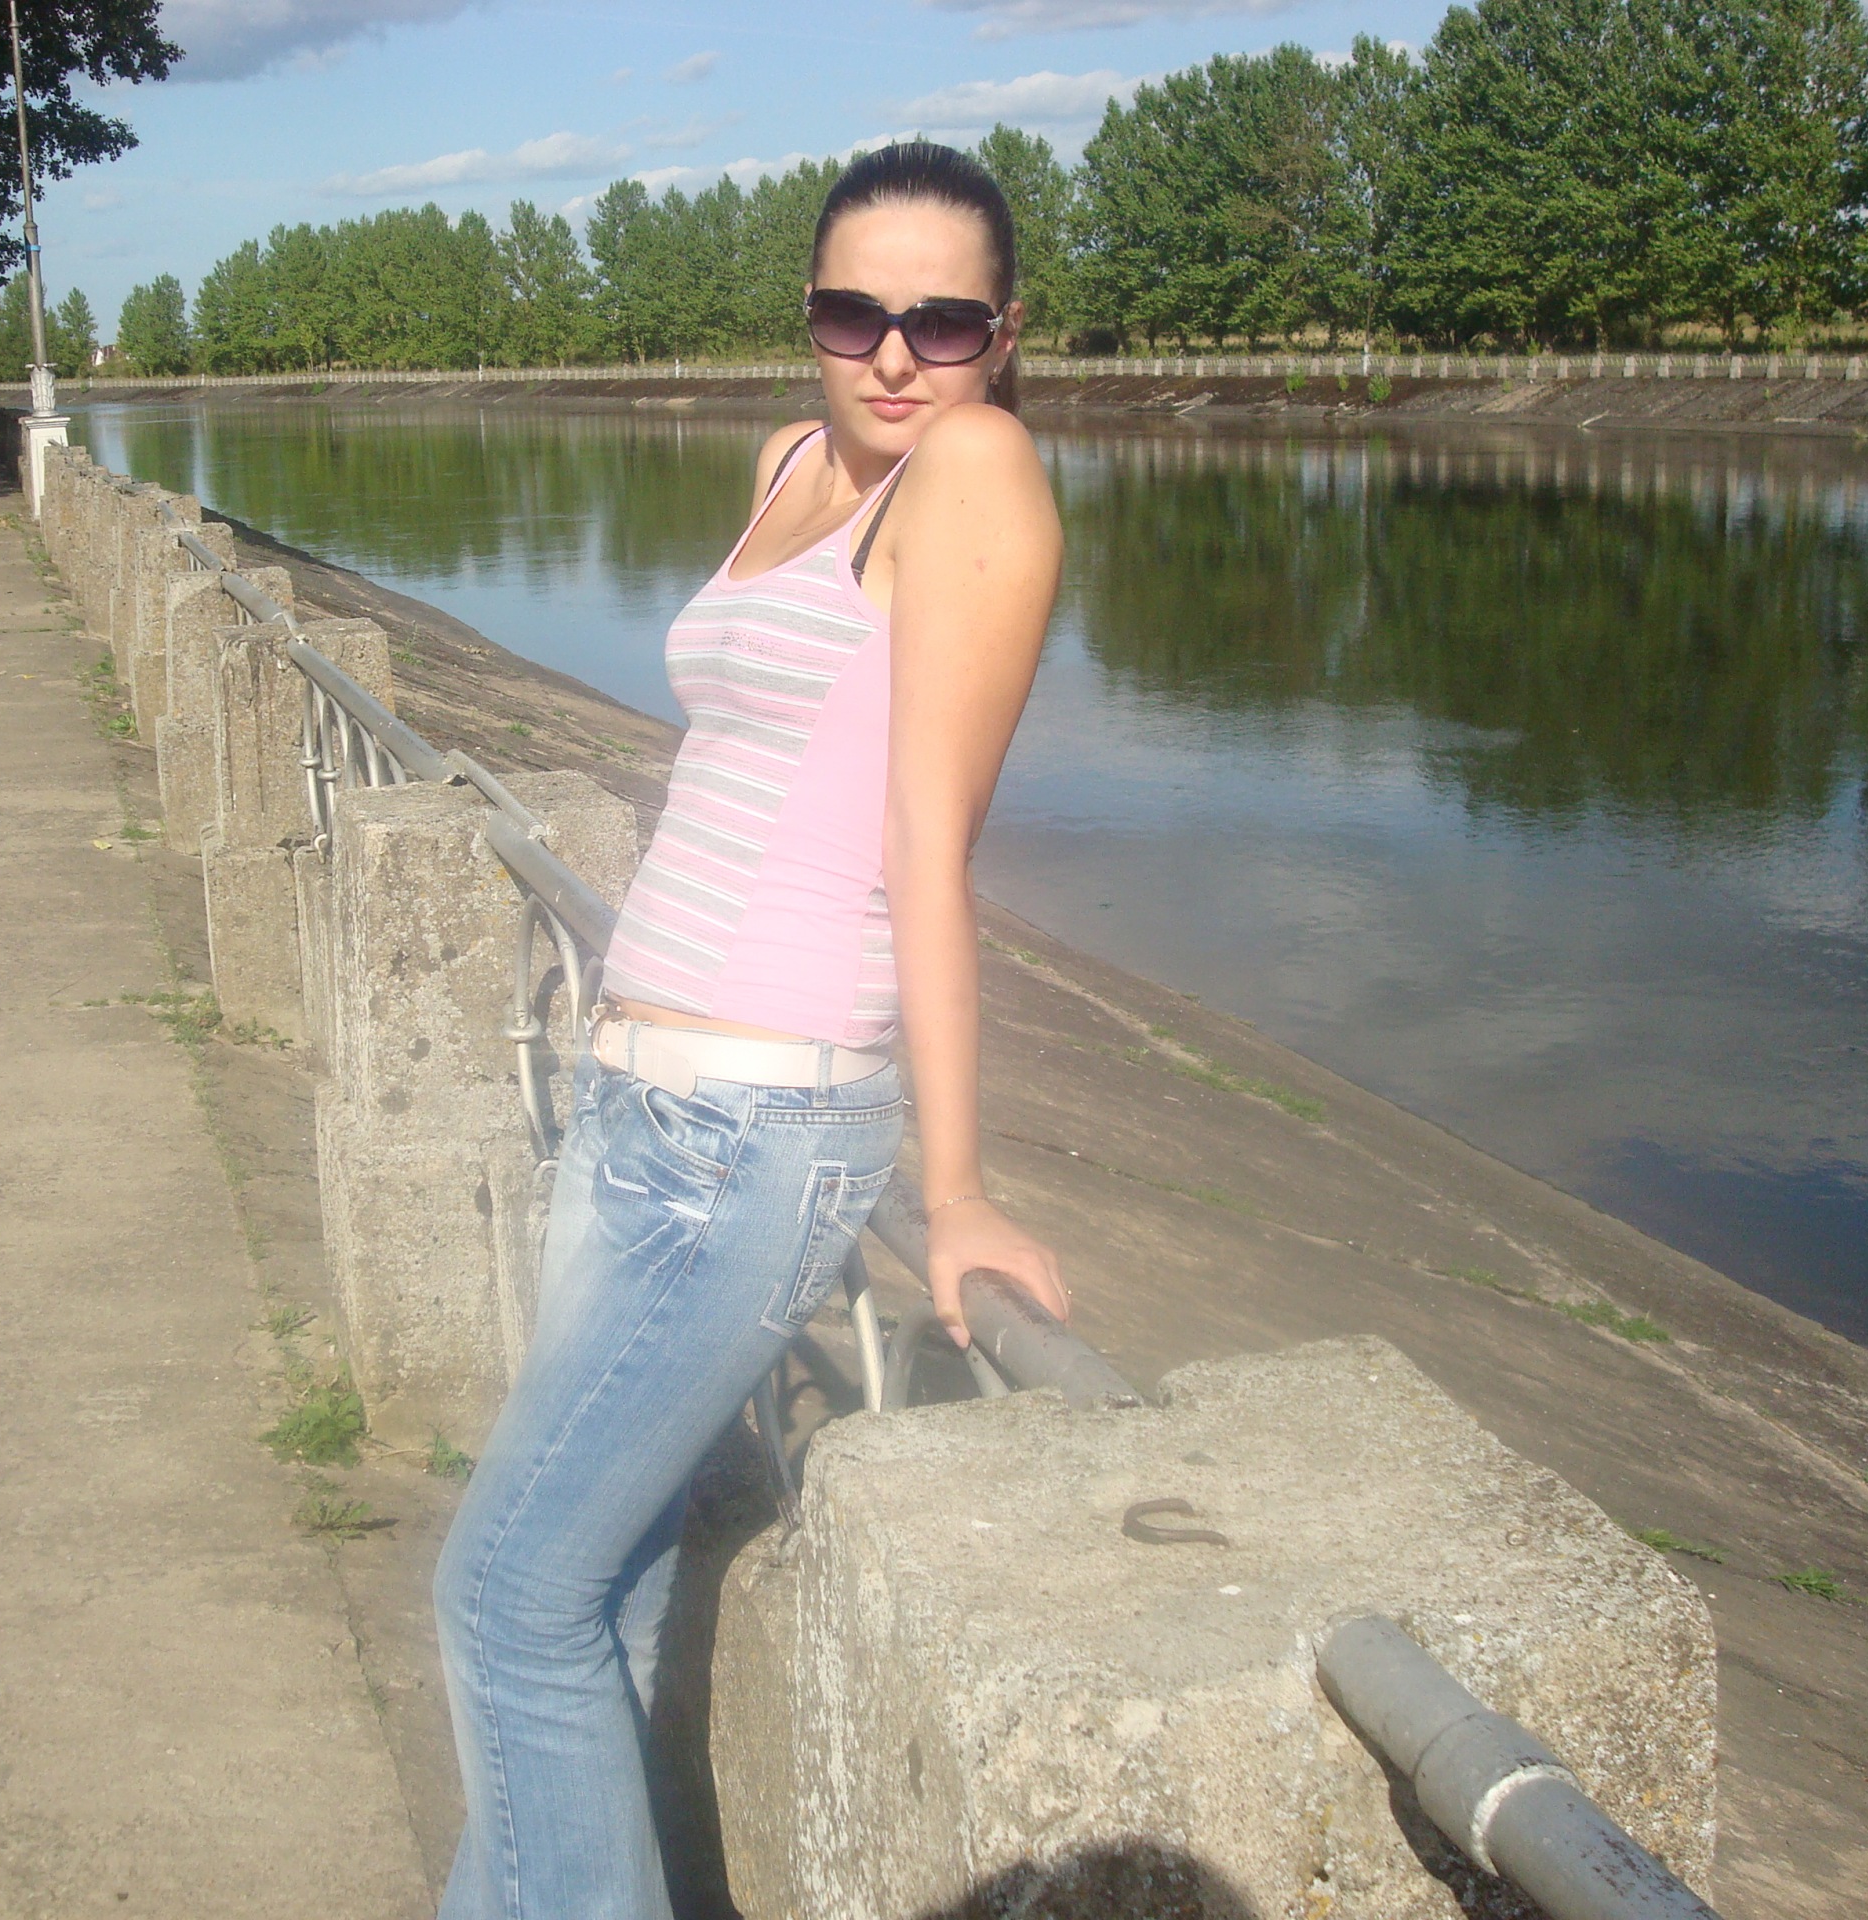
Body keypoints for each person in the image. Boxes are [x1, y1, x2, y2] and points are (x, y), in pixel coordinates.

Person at [431, 140, 1068, 1920]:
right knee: (601, 1593)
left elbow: (927, 846)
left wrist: (958, 1187)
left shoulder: (976, 471)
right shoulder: (790, 461)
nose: (895, 355)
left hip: (756, 1129)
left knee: (502, 1596)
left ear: (1006, 333)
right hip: (632, 1096)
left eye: (944, 322)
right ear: (810, 316)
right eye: (855, 313)